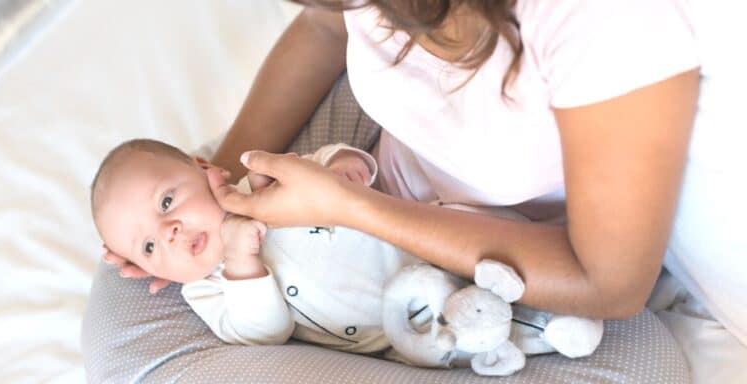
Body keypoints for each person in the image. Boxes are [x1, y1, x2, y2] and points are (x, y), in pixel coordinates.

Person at [104, 0, 746, 382]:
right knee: (127, 278)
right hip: (373, 162)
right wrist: (206, 191)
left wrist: (351, 208)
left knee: (639, 367)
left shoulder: (598, 21)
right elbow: (328, 27)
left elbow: (611, 285)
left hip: (498, 257)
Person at [93, 138, 424, 352]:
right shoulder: (207, 290)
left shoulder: (260, 185)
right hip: (397, 338)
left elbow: (323, 159)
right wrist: (241, 261)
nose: (169, 233)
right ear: (146, 269)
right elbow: (266, 334)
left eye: (166, 202)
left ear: (204, 169)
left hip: (420, 246)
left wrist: (344, 166)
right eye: (149, 247)